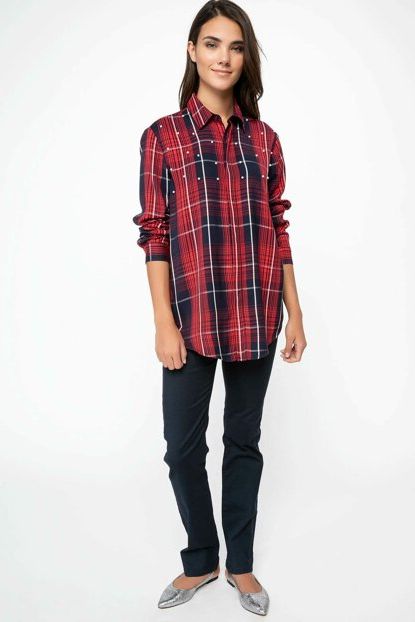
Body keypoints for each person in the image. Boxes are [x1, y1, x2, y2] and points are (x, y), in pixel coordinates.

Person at [133, 0, 307, 615]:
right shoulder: (163, 137)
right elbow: (155, 234)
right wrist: (163, 321)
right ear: (192, 51)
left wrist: (295, 313)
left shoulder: (265, 141)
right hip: (191, 317)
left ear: (245, 57)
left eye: (235, 47)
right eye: (212, 44)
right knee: (182, 448)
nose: (223, 58)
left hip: (257, 313)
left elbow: (278, 229)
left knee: (243, 443)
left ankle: (242, 563)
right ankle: (200, 558)